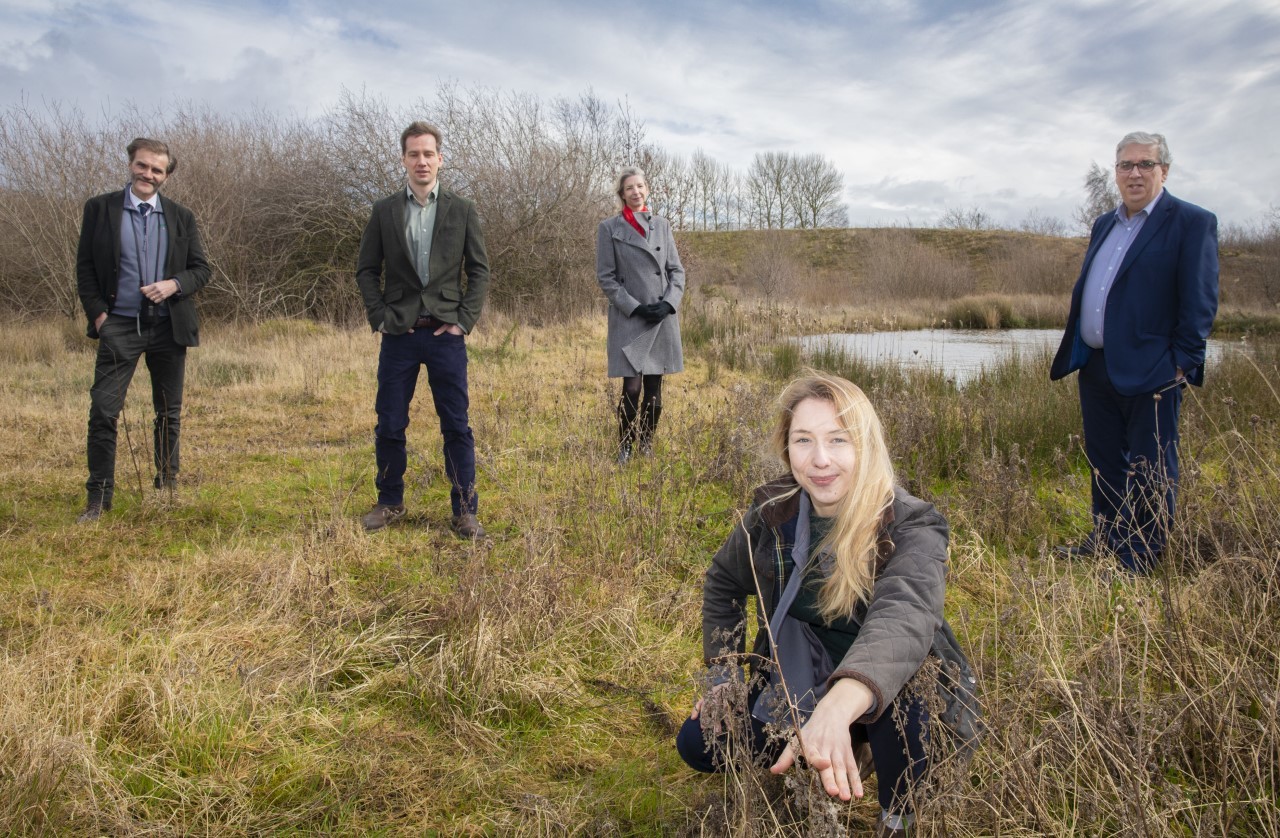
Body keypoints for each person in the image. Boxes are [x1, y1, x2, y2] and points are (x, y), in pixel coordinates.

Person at [677, 372, 965, 838]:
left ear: (865, 446)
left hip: (888, 687)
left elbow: (904, 619)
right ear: (786, 449)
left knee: (911, 707)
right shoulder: (773, 515)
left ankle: (899, 817)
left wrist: (840, 704)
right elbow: (722, 583)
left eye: (838, 440)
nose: (821, 459)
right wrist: (723, 677)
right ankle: (834, 742)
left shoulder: (911, 524)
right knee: (700, 742)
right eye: (803, 440)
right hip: (798, 675)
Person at [1050, 132, 1219, 573]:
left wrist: (1181, 364)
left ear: (1165, 170)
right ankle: (1106, 537)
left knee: (1152, 466)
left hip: (1154, 371)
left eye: (1145, 164)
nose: (1134, 173)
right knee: (1105, 460)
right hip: (1098, 364)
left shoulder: (1191, 223)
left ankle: (1141, 556)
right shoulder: (1105, 223)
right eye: (1125, 165)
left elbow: (1199, 301)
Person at [355, 121, 491, 539]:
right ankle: (389, 502)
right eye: (413, 154)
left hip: (444, 336)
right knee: (390, 422)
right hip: (399, 334)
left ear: (440, 159)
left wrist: (463, 320)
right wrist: (380, 316)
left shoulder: (462, 208)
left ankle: (465, 511)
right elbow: (365, 270)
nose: (421, 161)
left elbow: (480, 271)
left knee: (456, 423)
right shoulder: (384, 211)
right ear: (403, 160)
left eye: (428, 153)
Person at [75, 137, 211, 523]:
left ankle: (166, 487)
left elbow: (202, 269)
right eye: (142, 166)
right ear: (131, 164)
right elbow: (85, 268)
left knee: (168, 413)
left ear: (166, 175)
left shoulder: (180, 216)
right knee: (103, 411)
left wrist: (174, 284)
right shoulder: (100, 209)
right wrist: (100, 315)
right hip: (118, 326)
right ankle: (98, 499)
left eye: (157, 169)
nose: (148, 174)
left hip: (170, 327)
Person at [595, 167, 685, 464]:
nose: (636, 191)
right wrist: (635, 307)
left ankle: (646, 441)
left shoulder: (662, 225)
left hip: (660, 318)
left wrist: (669, 303)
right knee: (631, 388)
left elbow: (676, 271)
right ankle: (625, 445)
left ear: (647, 190)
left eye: (640, 186)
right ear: (622, 194)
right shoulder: (609, 228)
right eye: (630, 188)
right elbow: (606, 277)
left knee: (655, 391)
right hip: (630, 317)